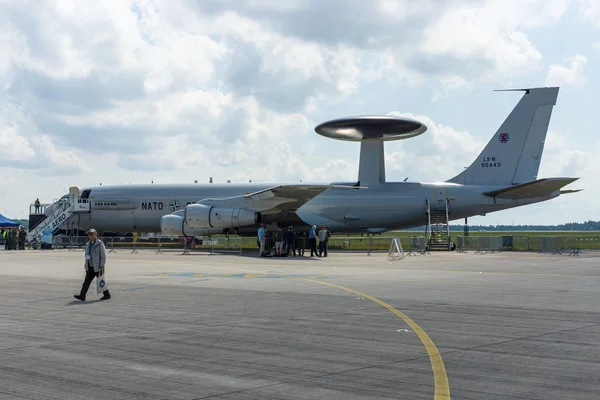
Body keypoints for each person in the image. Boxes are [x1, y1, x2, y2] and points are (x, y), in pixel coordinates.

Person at [74, 229, 111, 301]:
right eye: (89, 234)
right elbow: (86, 255)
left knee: (100, 281)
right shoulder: (88, 244)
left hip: (97, 267)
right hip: (90, 266)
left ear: (95, 234)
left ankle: (107, 294)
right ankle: (82, 295)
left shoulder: (100, 243)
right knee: (86, 282)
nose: (90, 236)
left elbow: (103, 256)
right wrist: (86, 263)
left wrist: (102, 265)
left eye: (92, 234)